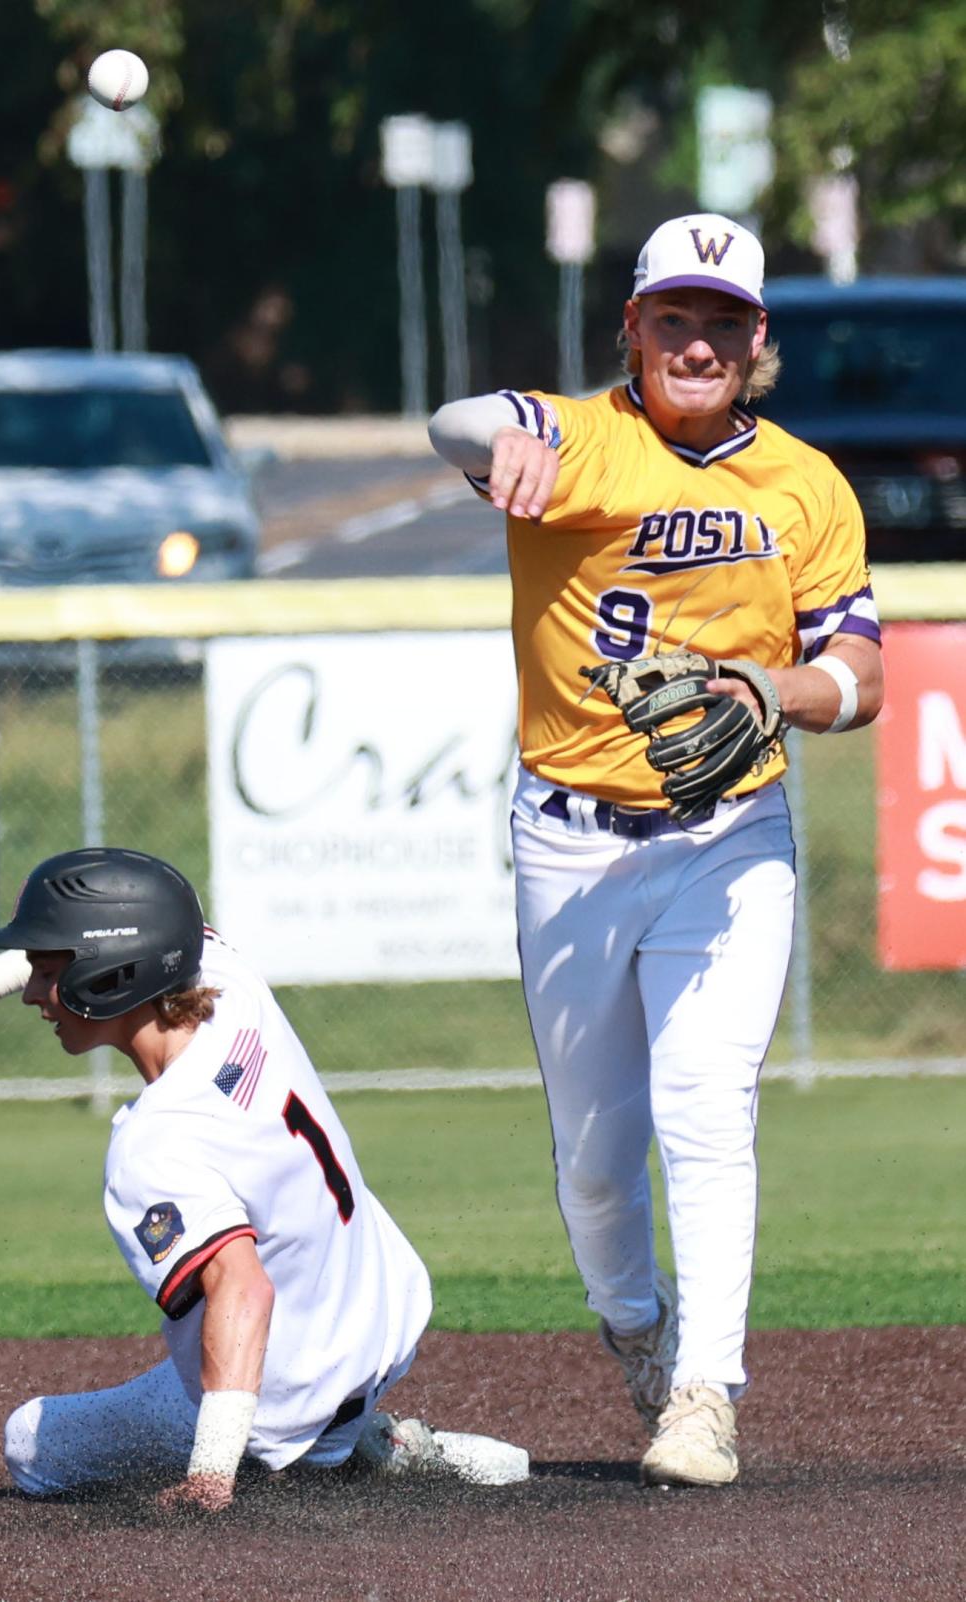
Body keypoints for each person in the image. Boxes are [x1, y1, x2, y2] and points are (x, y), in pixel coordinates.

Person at [428, 212, 883, 1487]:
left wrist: (770, 693)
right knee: (593, 1156)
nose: (698, 341)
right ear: (631, 328)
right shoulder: (578, 437)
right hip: (569, 845)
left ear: (758, 342)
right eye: (673, 317)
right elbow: (452, 424)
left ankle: (705, 1395)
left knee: (706, 1107)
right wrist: (503, 437)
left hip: (729, 838)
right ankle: (635, 1324)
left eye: (723, 321)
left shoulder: (803, 485)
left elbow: (862, 672)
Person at [0, 846, 528, 1510]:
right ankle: (357, 1433)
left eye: (49, 973)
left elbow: (243, 1290)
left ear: (110, 978)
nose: (36, 993)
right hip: (383, 1314)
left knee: (30, 1445)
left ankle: (321, 1451)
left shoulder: (155, 1145)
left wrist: (212, 1470)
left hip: (289, 1390)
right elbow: (159, 932)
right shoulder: (231, 983)